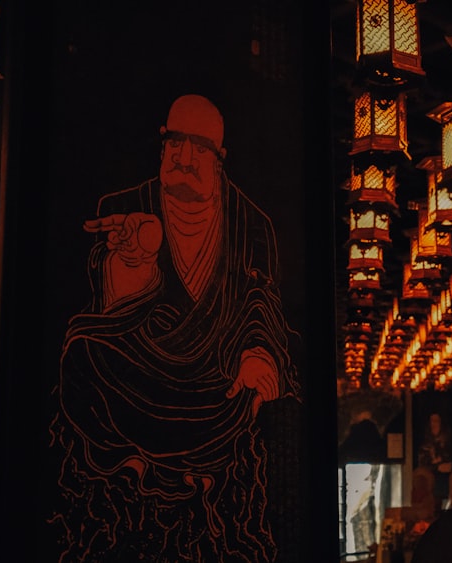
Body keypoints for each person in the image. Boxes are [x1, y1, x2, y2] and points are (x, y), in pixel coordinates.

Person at [51, 94, 299, 562]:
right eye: (175, 144)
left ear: (220, 160)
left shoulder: (253, 225)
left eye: (199, 148)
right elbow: (107, 317)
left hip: (210, 394)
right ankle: (131, 467)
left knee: (244, 395)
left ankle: (164, 468)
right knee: (81, 355)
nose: (184, 159)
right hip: (134, 379)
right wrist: (133, 263)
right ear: (162, 146)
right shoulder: (124, 208)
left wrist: (256, 354)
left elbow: (262, 304)